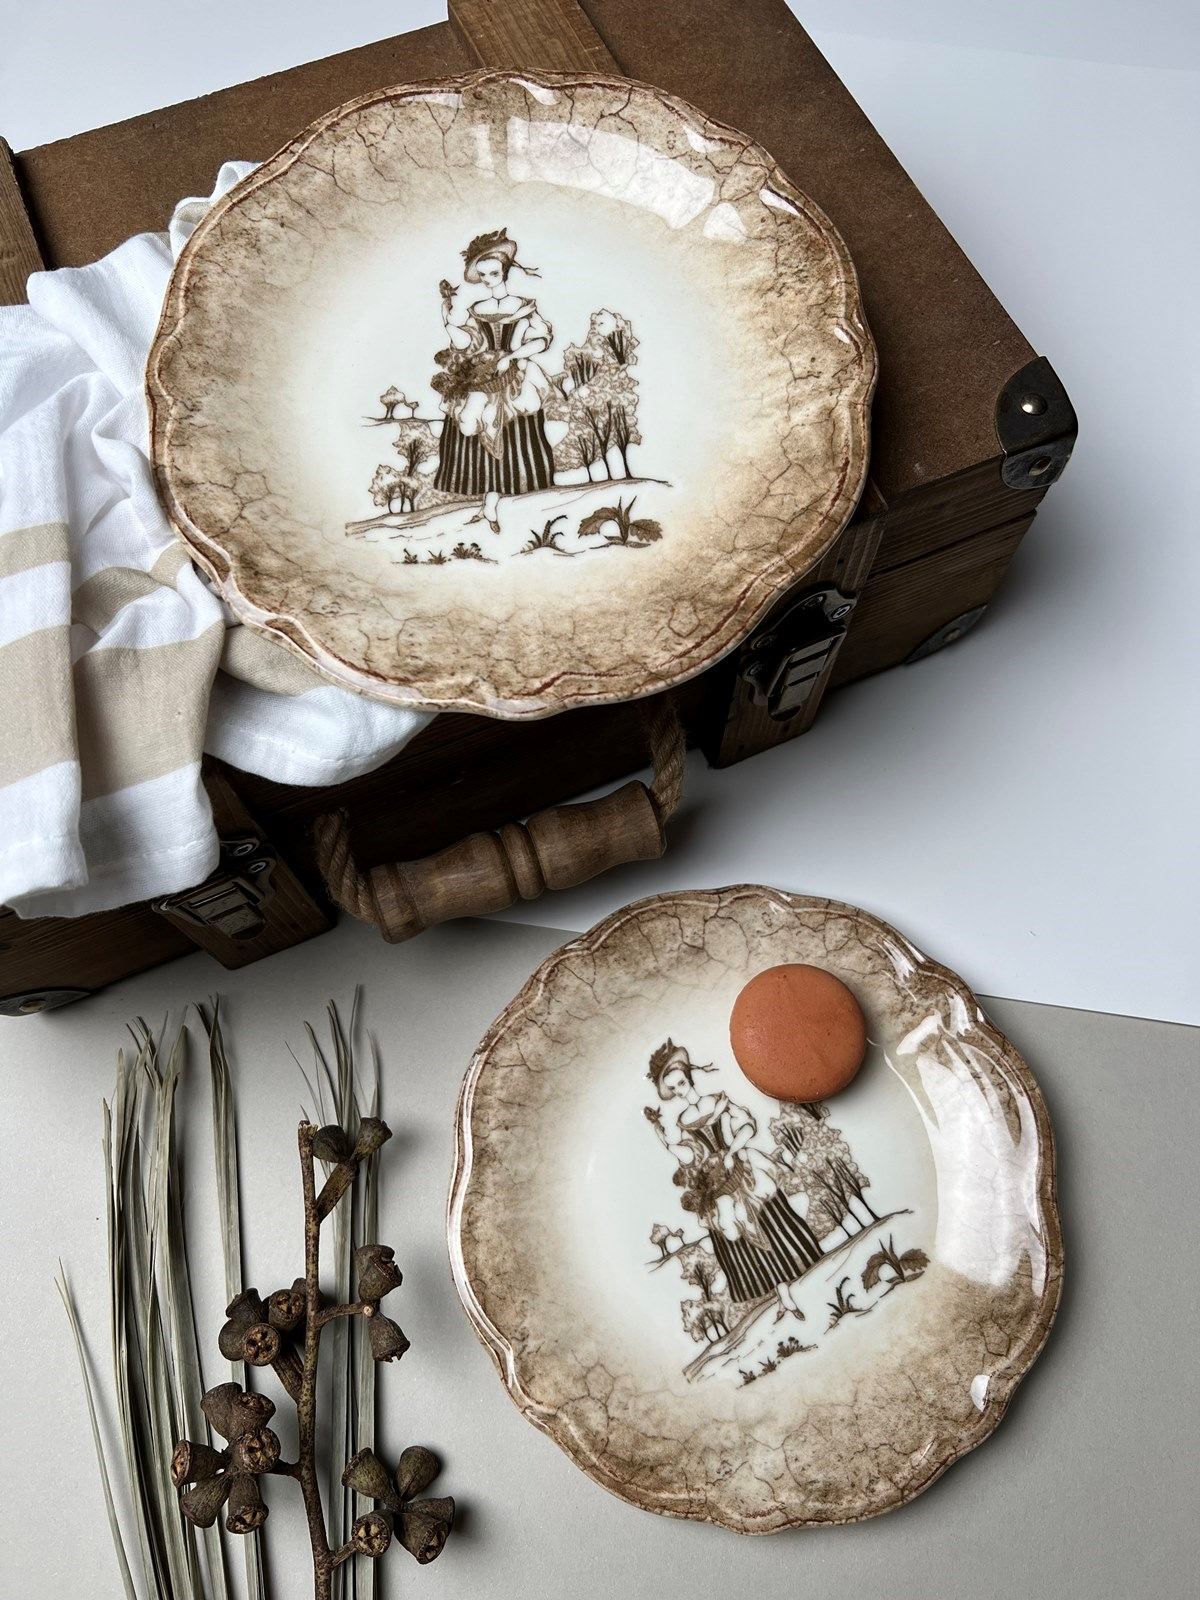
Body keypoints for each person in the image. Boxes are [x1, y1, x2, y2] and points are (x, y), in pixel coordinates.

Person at [645, 1040, 822, 1316]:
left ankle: (791, 1288)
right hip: (719, 1188)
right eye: (674, 1088)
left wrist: (731, 1152)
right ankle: (781, 1294)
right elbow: (692, 1158)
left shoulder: (717, 1100)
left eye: (681, 1083)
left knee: (768, 1224)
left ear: (689, 1076)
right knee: (740, 1236)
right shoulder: (682, 1122)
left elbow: (748, 1126)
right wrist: (665, 1139)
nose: (680, 1091)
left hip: (744, 1172)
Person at [432, 228, 556, 533]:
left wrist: (511, 357)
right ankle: (488, 503)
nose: (488, 279)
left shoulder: (524, 305)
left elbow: (542, 340)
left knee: (510, 433)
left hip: (514, 376)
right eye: (483, 275)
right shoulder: (477, 310)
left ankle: (495, 503)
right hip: (483, 373)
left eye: (494, 273)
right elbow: (467, 344)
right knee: (472, 426)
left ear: (505, 271)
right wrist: (448, 320)